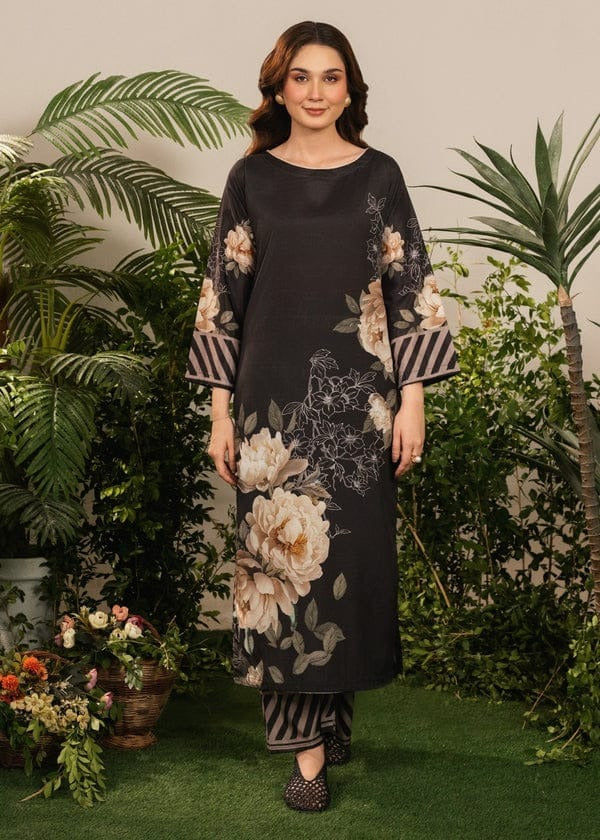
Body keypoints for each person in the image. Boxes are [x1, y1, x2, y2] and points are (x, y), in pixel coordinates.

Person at [185, 20, 461, 812]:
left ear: (349, 90)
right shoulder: (251, 179)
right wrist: (219, 415)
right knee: (280, 571)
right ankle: (306, 757)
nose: (314, 91)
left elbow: (411, 288)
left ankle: (330, 719)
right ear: (278, 89)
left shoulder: (380, 176)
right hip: (269, 413)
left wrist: (413, 401)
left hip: (359, 409)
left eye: (329, 77)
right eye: (300, 77)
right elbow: (222, 297)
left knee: (345, 567)